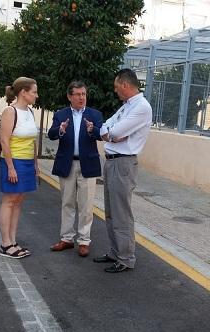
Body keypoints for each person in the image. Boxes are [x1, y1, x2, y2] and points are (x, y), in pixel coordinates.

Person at [93, 69, 152, 273]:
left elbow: (115, 131)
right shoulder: (127, 106)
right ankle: (115, 251)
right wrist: (112, 134)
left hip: (123, 163)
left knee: (121, 213)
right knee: (110, 212)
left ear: (125, 85)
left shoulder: (142, 107)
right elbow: (105, 127)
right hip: (112, 162)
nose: (116, 91)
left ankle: (126, 257)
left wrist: (113, 133)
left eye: (117, 87)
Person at [47, 81, 103, 257]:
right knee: (67, 203)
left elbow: (101, 134)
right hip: (67, 163)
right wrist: (61, 130)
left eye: (84, 94)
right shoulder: (61, 114)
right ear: (69, 96)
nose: (81, 98)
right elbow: (51, 133)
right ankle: (66, 239)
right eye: (78, 94)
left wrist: (93, 130)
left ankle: (84, 241)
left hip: (88, 164)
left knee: (86, 205)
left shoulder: (95, 114)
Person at [0, 77, 39, 259]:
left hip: (28, 162)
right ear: (23, 92)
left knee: (19, 201)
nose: (37, 95)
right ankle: (5, 244)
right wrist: (11, 167)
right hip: (14, 162)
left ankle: (13, 241)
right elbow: (4, 140)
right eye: (34, 92)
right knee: (9, 201)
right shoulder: (10, 111)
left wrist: (36, 165)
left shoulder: (29, 112)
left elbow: (33, 140)